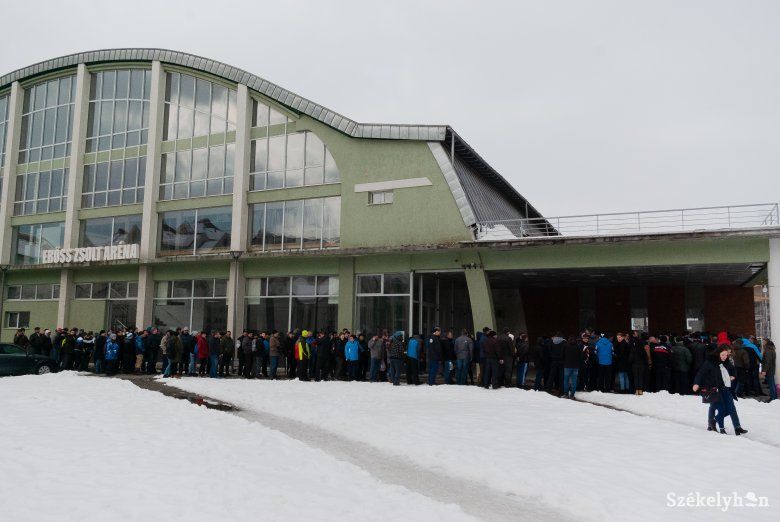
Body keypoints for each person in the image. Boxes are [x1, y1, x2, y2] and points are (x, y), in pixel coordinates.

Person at [693, 346, 748, 435]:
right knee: (714, 406)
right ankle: (710, 424)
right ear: (718, 353)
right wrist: (696, 383)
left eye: (726, 355)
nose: (725, 357)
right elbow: (701, 373)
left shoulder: (726, 362)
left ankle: (737, 427)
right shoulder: (709, 362)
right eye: (723, 355)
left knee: (731, 407)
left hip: (725, 387)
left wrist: (733, 376)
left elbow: (733, 369)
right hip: (713, 388)